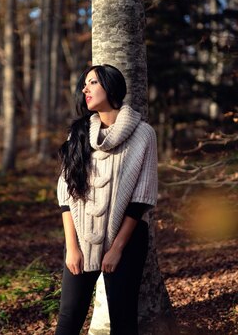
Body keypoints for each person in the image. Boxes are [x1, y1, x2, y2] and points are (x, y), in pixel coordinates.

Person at [55, 64, 158, 335]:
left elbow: (141, 198)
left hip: (126, 241)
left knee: (123, 322)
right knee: (69, 318)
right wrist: (72, 247)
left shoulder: (143, 134)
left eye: (92, 83)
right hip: (82, 237)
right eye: (84, 84)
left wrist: (116, 249)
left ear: (110, 87)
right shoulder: (78, 135)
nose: (84, 89)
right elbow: (65, 195)